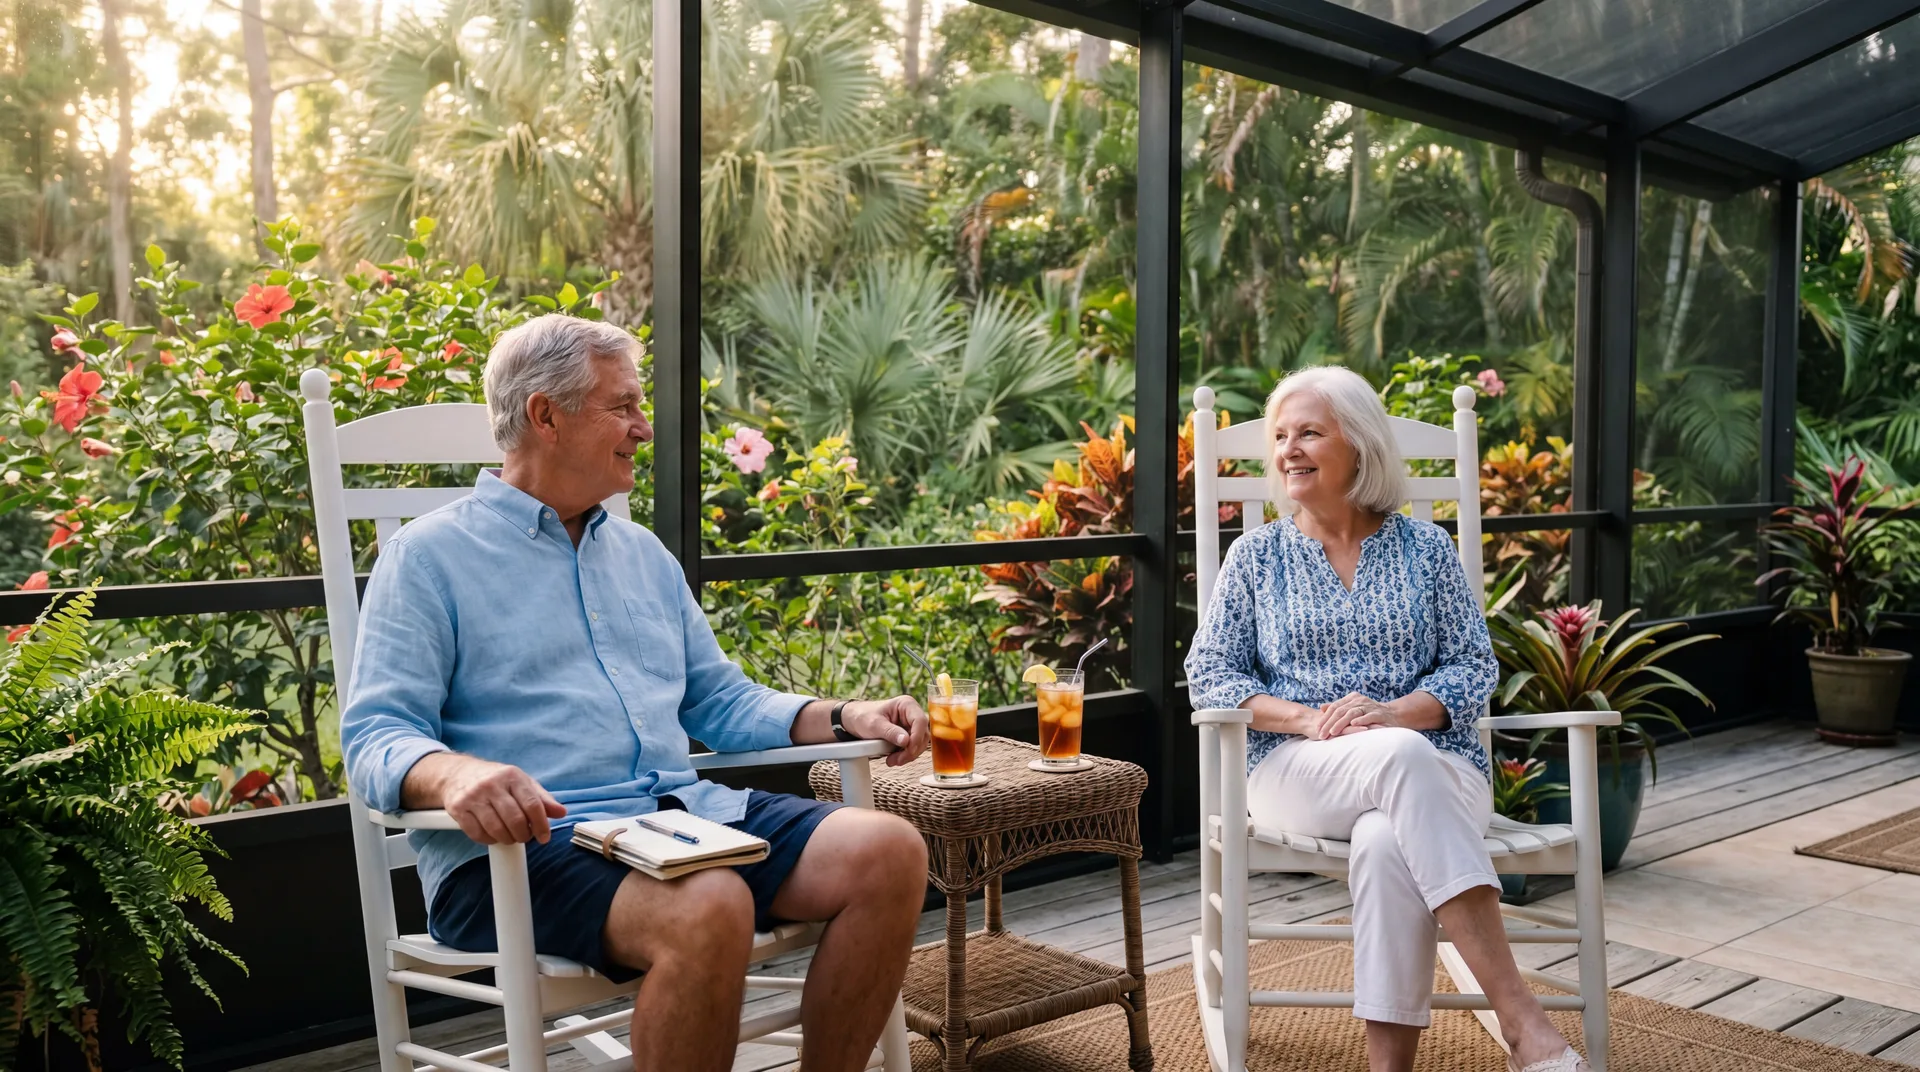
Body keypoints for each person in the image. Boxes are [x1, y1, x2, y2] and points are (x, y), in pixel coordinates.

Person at [341, 315, 931, 1072]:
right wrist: (457, 774)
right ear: (545, 415)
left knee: (889, 850)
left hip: (677, 826)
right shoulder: (428, 558)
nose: (643, 429)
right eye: (622, 406)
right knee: (712, 901)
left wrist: (844, 714)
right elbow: (376, 736)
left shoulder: (642, 554)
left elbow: (718, 701)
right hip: (521, 858)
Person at [1184, 366, 1589, 1072]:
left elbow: (1471, 666)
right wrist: (1310, 721)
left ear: (1360, 444)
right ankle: (1521, 1015)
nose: (1288, 450)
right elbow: (1211, 675)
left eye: (1309, 431)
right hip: (1298, 769)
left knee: (1383, 839)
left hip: (1438, 768)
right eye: (1280, 437)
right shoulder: (1257, 558)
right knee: (1397, 761)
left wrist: (1395, 714)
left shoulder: (1426, 550)